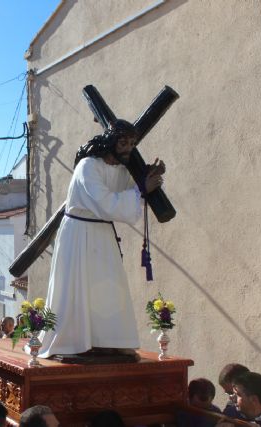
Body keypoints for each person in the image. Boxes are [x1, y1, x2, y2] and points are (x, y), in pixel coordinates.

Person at [38, 120, 165, 358]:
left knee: (108, 287)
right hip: (79, 233)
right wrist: (141, 190)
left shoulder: (121, 169)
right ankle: (74, 341)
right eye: (123, 142)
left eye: (132, 143)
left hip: (103, 234)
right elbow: (105, 203)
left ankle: (108, 340)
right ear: (111, 141)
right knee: (77, 286)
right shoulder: (88, 166)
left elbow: (130, 191)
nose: (128, 147)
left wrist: (149, 176)